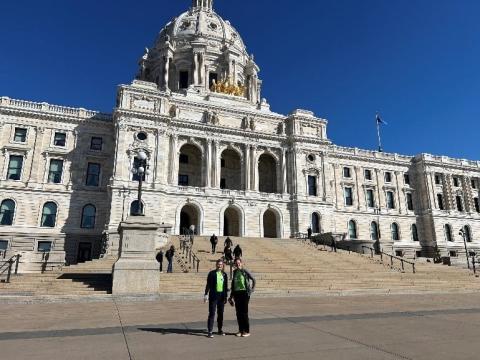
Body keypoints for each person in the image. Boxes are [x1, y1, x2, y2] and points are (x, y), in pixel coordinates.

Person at [229, 258, 256, 337]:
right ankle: (240, 330)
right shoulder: (234, 272)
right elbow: (233, 285)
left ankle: (246, 331)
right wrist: (231, 296)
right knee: (238, 313)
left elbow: (253, 279)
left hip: (244, 293)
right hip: (237, 294)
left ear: (241, 263)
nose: (237, 264)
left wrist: (252, 289)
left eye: (239, 263)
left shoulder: (245, 271)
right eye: (236, 263)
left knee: (244, 313)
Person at [204, 259, 229, 338]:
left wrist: (226, 297)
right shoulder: (212, 273)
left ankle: (219, 329)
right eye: (218, 264)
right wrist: (206, 294)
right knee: (212, 313)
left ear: (223, 265)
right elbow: (208, 284)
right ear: (216, 265)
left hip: (221, 296)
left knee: (220, 314)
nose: (219, 266)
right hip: (213, 296)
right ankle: (210, 331)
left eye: (221, 264)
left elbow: (225, 287)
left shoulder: (224, 274)